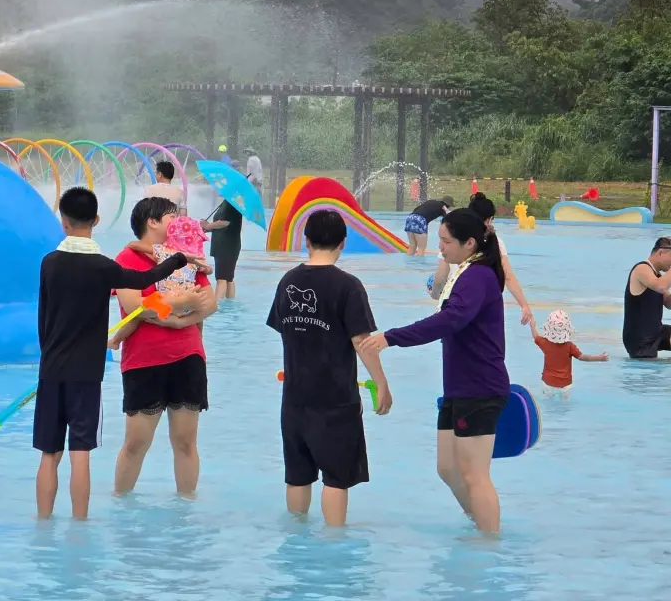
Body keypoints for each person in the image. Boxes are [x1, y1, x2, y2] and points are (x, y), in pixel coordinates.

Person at [34, 187, 193, 520]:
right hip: (87, 374)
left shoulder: (49, 264)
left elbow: (43, 320)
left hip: (52, 369)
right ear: (97, 220)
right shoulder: (104, 268)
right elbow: (146, 277)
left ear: (63, 222)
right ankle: (79, 523)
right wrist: (178, 258)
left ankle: (43, 521)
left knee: (49, 455)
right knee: (80, 453)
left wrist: (48, 358)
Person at [360, 209, 508, 534]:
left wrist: (391, 337)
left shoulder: (478, 276)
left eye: (446, 241)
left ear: (469, 243)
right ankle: (480, 524)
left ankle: (489, 543)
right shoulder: (466, 270)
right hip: (460, 387)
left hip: (481, 388)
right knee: (447, 469)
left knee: (474, 473)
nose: (440, 247)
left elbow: (449, 320)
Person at [267, 209, 392, 526]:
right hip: (335, 400)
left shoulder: (288, 281)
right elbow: (361, 342)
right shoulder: (347, 286)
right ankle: (333, 545)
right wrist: (382, 384)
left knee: (297, 476)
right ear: (343, 243)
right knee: (336, 478)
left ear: (305, 241)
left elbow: (286, 329)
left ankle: (296, 539)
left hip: (294, 399)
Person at [112, 197, 217, 498]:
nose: (180, 221)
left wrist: (179, 323)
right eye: (172, 216)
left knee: (185, 442)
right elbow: (134, 306)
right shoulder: (127, 260)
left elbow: (210, 303)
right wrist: (179, 304)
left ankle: (187, 506)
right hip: (144, 361)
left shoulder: (186, 257)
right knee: (136, 444)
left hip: (188, 357)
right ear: (152, 222)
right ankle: (121, 503)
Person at [429, 193, 533, 326]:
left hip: (454, 308)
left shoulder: (453, 238)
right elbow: (508, 276)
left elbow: (441, 276)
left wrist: (435, 293)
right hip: (481, 310)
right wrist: (524, 305)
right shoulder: (495, 242)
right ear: (489, 219)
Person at [125, 213, 211, 313]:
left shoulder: (163, 251)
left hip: (166, 300)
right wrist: (205, 268)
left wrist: (129, 246)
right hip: (188, 305)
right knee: (198, 311)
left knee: (135, 319)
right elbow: (208, 270)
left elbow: (136, 245)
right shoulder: (195, 259)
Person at [529, 309, 607, 397]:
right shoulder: (569, 346)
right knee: (565, 407)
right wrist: (599, 358)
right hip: (565, 385)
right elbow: (582, 357)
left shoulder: (545, 343)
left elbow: (536, 336)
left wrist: (532, 326)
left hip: (548, 383)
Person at [622, 238, 671, 358]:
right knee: (651, 375)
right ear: (660, 253)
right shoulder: (642, 269)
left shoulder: (657, 275)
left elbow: (669, 303)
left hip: (657, 332)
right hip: (640, 340)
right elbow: (660, 286)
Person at [210, 197, 243, 300]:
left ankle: (217, 308)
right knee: (228, 278)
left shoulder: (230, 202)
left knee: (221, 278)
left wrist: (208, 225)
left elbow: (225, 222)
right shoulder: (230, 201)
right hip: (229, 244)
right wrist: (207, 228)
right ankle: (229, 306)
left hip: (225, 245)